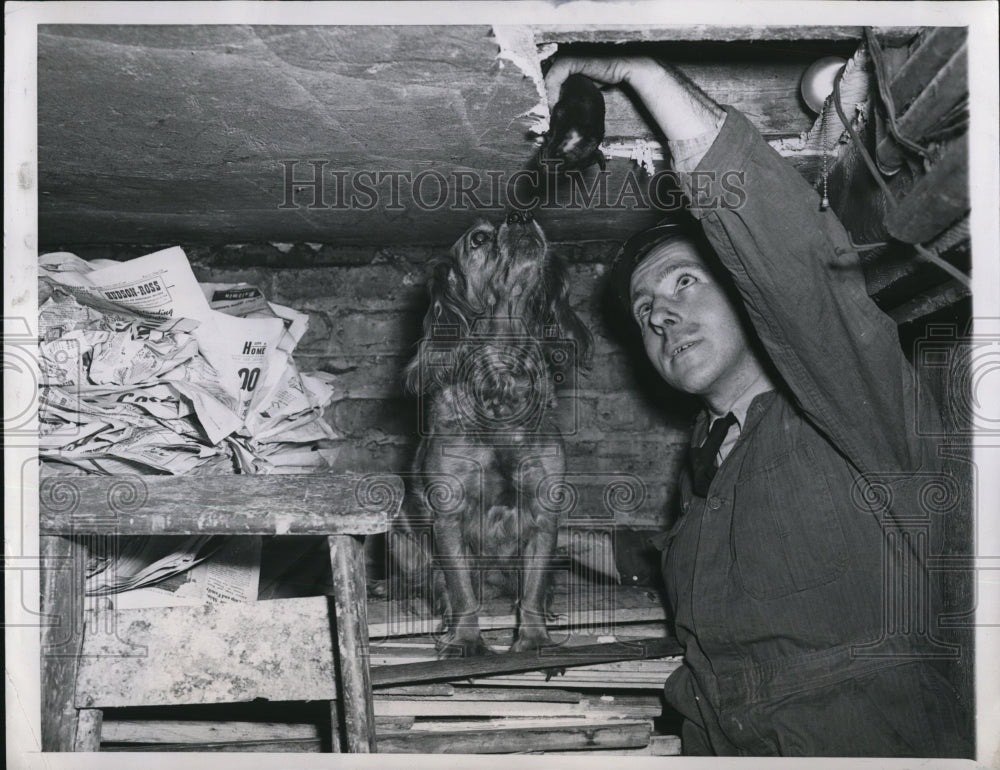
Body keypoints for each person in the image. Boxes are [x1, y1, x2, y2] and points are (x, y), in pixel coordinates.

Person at [543, 56, 970, 757]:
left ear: (748, 294)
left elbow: (800, 276)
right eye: (646, 309)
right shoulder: (708, 467)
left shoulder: (850, 408)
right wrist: (553, 538)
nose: (661, 316)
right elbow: (671, 559)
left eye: (684, 283)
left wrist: (645, 74)